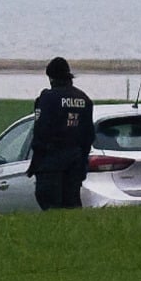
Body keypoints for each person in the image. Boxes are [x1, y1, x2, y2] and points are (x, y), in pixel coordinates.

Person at [28, 57, 95, 210]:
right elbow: (89, 135)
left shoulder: (48, 98)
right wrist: (81, 158)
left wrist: (37, 160)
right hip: (75, 163)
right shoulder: (84, 99)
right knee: (72, 205)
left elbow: (41, 131)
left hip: (50, 164)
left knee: (50, 206)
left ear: (51, 77)